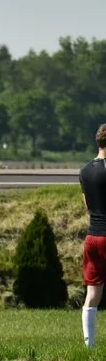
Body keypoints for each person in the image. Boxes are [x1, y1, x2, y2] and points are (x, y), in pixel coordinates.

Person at [79, 124, 106, 348]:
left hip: (92, 237)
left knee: (92, 293)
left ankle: (89, 346)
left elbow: (87, 204)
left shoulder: (85, 170)